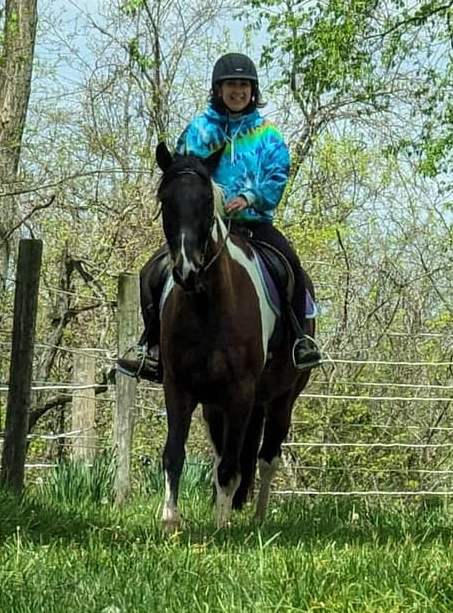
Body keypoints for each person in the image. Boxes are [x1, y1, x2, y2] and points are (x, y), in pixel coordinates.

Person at [116, 52, 322, 381]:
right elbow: (181, 175)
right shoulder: (198, 132)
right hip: (204, 228)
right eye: (231, 85)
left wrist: (251, 197)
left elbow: (277, 175)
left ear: (252, 91)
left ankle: (300, 341)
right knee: (150, 274)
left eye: (244, 85)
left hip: (253, 225)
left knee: (291, 266)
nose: (237, 91)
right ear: (218, 89)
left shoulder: (268, 136)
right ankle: (151, 347)